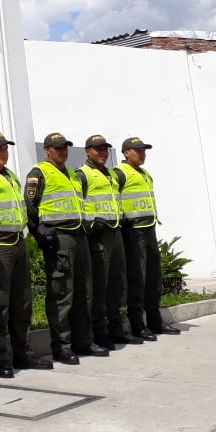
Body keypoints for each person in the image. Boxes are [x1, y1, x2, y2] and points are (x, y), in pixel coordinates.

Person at [0, 131, 54, 378]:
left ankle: (22, 354)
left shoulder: (10, 175)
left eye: (5, 148)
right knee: (0, 305)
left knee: (22, 302)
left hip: (16, 242)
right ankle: (1, 359)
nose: (4, 152)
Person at [24, 133, 107, 365]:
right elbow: (30, 207)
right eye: (58, 148)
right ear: (47, 150)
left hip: (79, 237)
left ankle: (83, 341)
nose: (63, 151)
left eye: (65, 148)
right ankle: (62, 347)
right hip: (59, 238)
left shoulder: (72, 175)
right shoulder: (39, 172)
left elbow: (81, 206)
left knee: (84, 292)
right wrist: (39, 234)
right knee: (62, 294)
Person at [76, 135, 143, 350]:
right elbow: (78, 205)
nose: (102, 153)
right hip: (98, 237)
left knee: (117, 285)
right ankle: (101, 332)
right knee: (100, 286)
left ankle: (117, 329)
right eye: (97, 149)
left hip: (115, 233)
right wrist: (90, 225)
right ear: (87, 151)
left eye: (105, 149)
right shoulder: (82, 174)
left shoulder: (111, 174)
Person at [115, 136, 180, 340]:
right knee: (137, 279)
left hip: (149, 229)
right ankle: (138, 325)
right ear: (126, 152)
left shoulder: (145, 173)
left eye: (144, 150)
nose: (142, 154)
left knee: (153, 277)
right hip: (132, 232)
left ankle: (155, 321)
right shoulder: (118, 173)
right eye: (138, 150)